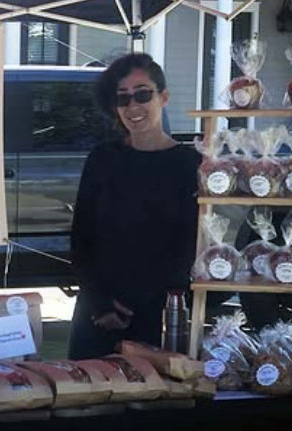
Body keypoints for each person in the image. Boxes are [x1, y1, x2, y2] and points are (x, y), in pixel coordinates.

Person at [68, 53, 201, 360]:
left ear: (163, 97)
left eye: (143, 94)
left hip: (162, 318)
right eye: (123, 99)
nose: (133, 106)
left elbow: (192, 246)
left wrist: (163, 303)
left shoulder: (190, 164)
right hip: (98, 316)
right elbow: (80, 238)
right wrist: (99, 302)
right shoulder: (102, 160)